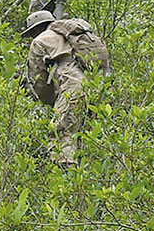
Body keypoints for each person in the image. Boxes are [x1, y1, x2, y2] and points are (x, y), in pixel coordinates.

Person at [22, 10, 110, 167]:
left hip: (73, 88)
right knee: (83, 134)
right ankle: (85, 175)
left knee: (60, 133)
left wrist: (49, 101)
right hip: (96, 86)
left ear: (36, 29)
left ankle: (66, 177)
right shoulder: (70, 34)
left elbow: (39, 81)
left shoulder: (40, 40)